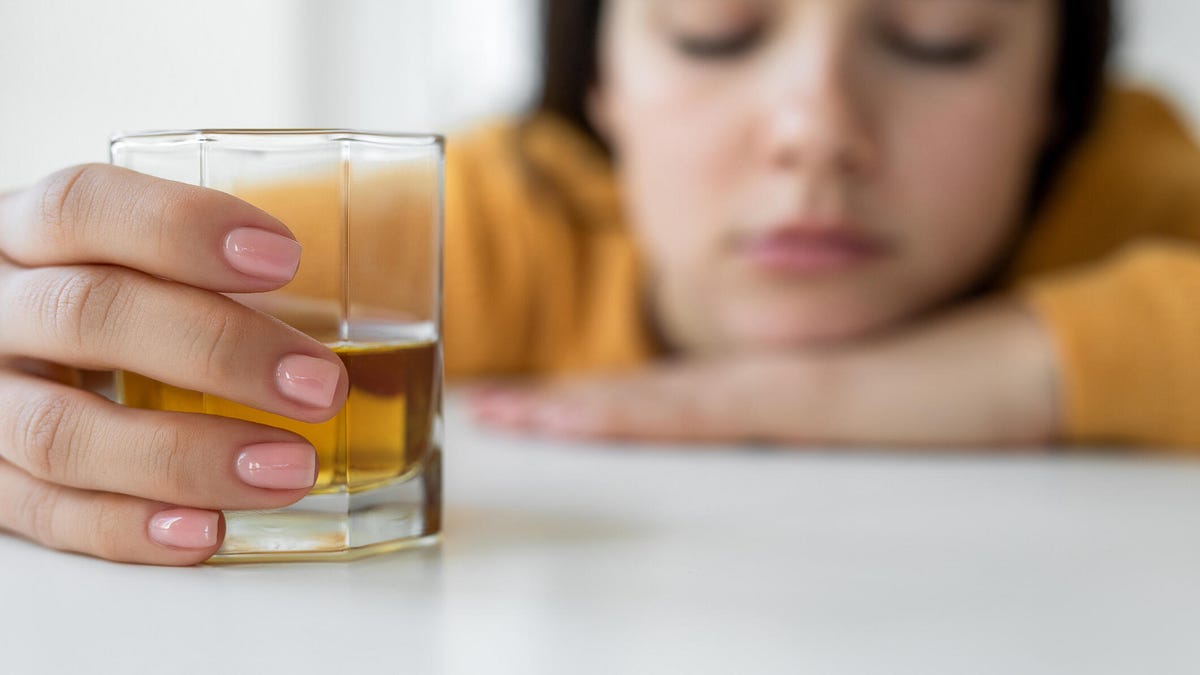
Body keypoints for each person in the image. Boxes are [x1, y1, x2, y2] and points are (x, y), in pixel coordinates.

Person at [0, 0, 1196, 566]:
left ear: (1056, 99)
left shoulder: (1131, 194)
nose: (818, 130)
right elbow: (90, 292)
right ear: (599, 87)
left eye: (942, 37)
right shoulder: (516, 215)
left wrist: (827, 393)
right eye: (714, 33)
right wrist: (39, 330)